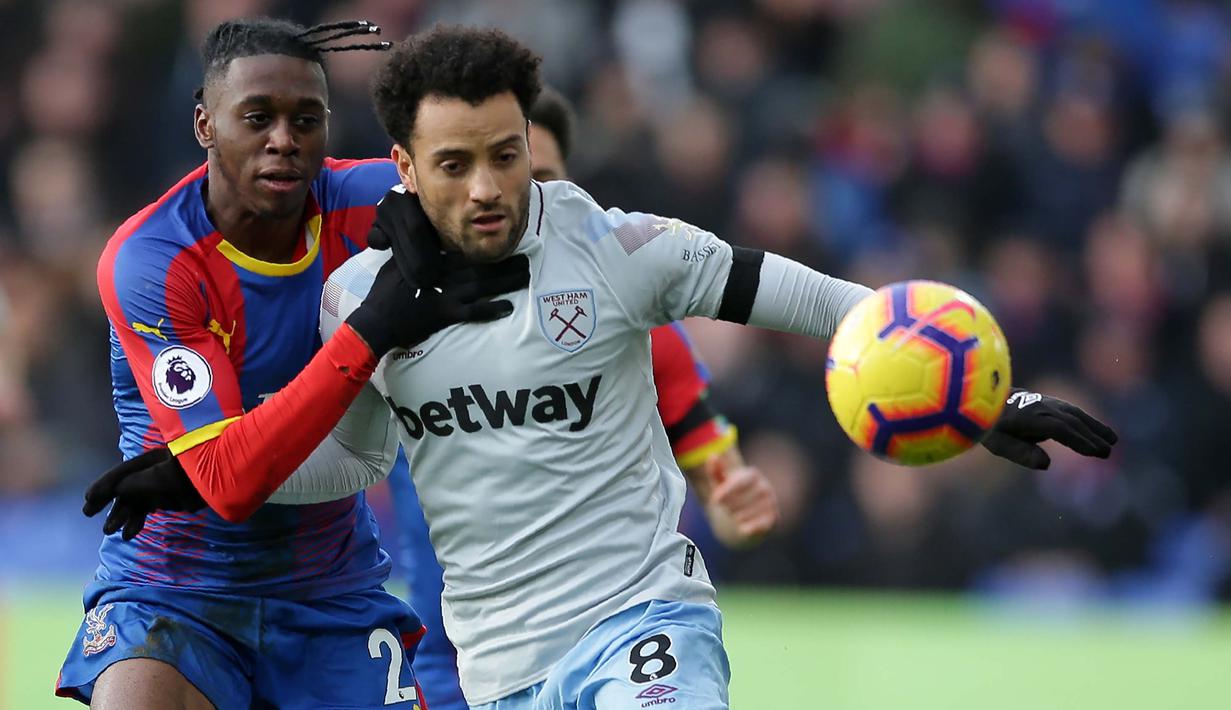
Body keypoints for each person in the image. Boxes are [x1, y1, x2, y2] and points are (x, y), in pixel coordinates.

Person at [312, 26, 1118, 709]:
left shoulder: (613, 248)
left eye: (506, 155)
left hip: (641, 623)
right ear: (404, 167)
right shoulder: (360, 302)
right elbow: (351, 459)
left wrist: (978, 396)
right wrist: (202, 466)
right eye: (454, 164)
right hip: (494, 670)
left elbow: (829, 306)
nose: (488, 188)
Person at [57, 18, 527, 709]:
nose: (284, 138)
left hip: (330, 594)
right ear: (205, 125)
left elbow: (535, 212)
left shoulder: (369, 201)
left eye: (306, 118)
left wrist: (446, 206)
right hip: (174, 590)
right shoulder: (153, 261)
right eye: (258, 117)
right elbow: (226, 480)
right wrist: (370, 332)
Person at [393, 86, 781, 710]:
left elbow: (723, 488)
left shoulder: (633, 325)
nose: (502, 194)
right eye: (468, 168)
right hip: (451, 658)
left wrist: (739, 509)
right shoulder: (397, 318)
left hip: (612, 638)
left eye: (530, 174)